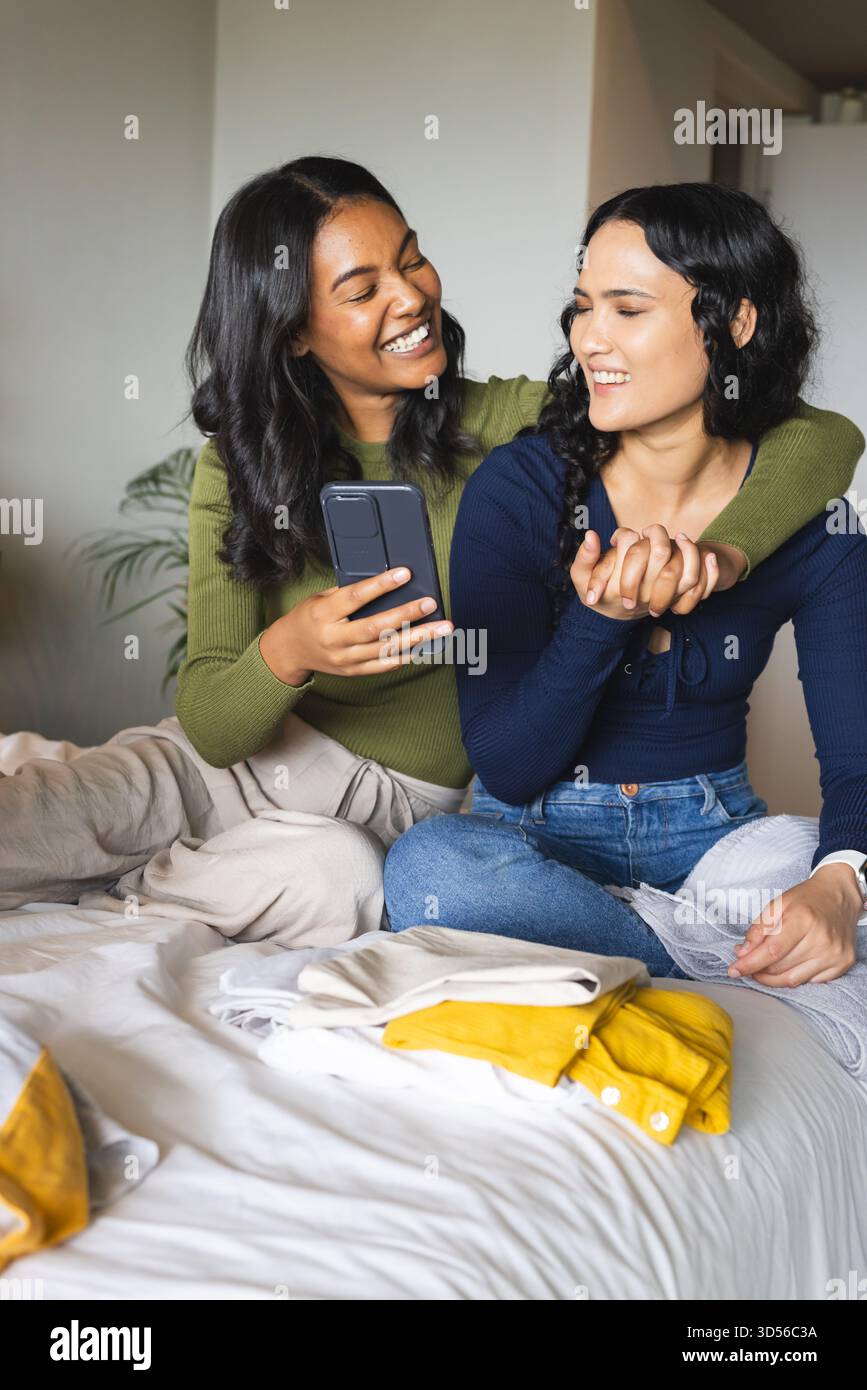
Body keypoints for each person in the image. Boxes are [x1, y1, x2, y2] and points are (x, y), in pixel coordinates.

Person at [0, 163, 862, 949]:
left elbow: (816, 437)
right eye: (361, 289)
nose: (409, 297)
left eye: (410, 261)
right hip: (225, 764)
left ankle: (114, 906)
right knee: (33, 823)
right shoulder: (239, 466)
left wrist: (723, 554)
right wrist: (292, 649)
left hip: (385, 806)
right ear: (294, 331)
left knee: (334, 878)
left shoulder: (521, 426)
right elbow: (215, 724)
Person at [383, 183, 867, 987]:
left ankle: (614, 951)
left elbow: (857, 766)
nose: (589, 341)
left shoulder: (810, 522)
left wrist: (836, 887)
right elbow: (505, 765)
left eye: (626, 309)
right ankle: (692, 965)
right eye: (581, 308)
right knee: (432, 866)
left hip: (712, 845)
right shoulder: (522, 486)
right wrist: (598, 618)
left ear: (734, 323)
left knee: (831, 872)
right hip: (534, 840)